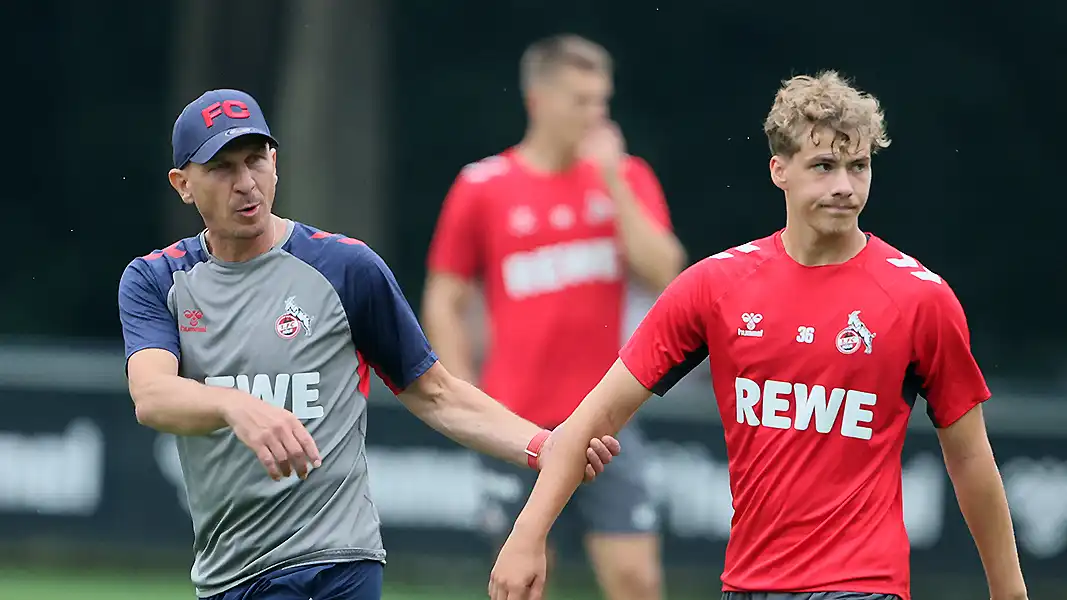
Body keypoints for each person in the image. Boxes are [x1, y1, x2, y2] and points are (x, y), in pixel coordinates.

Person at [488, 71, 1030, 600]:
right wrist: (527, 534)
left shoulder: (921, 299)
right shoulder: (714, 286)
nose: (844, 186)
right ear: (780, 170)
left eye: (858, 166)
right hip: (747, 584)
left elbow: (969, 459)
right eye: (824, 166)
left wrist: (1009, 591)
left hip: (863, 586)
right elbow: (594, 417)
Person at [117, 88, 622, 600]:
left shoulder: (346, 268)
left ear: (275, 161)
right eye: (222, 168)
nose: (246, 183)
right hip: (229, 574)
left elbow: (435, 393)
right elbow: (153, 396)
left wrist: (543, 446)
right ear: (183, 185)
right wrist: (235, 406)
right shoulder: (158, 279)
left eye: (255, 160)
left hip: (338, 563)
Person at [423, 35, 685, 600]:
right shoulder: (483, 186)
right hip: (516, 421)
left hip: (608, 421)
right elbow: (445, 298)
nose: (596, 115)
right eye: (581, 100)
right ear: (538, 100)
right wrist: (465, 392)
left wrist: (612, 180)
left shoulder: (627, 177)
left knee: (637, 581)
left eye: (602, 100)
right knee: (519, 582)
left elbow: (668, 274)